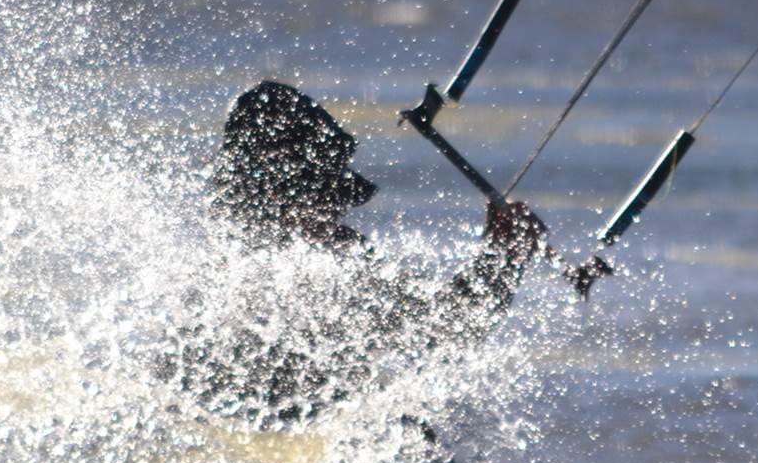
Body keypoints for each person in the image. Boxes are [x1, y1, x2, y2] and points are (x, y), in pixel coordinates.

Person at [169, 80, 545, 426]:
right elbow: (445, 330)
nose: (341, 208)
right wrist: (504, 256)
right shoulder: (317, 276)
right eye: (325, 194)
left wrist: (501, 256)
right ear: (278, 198)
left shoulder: (207, 284)